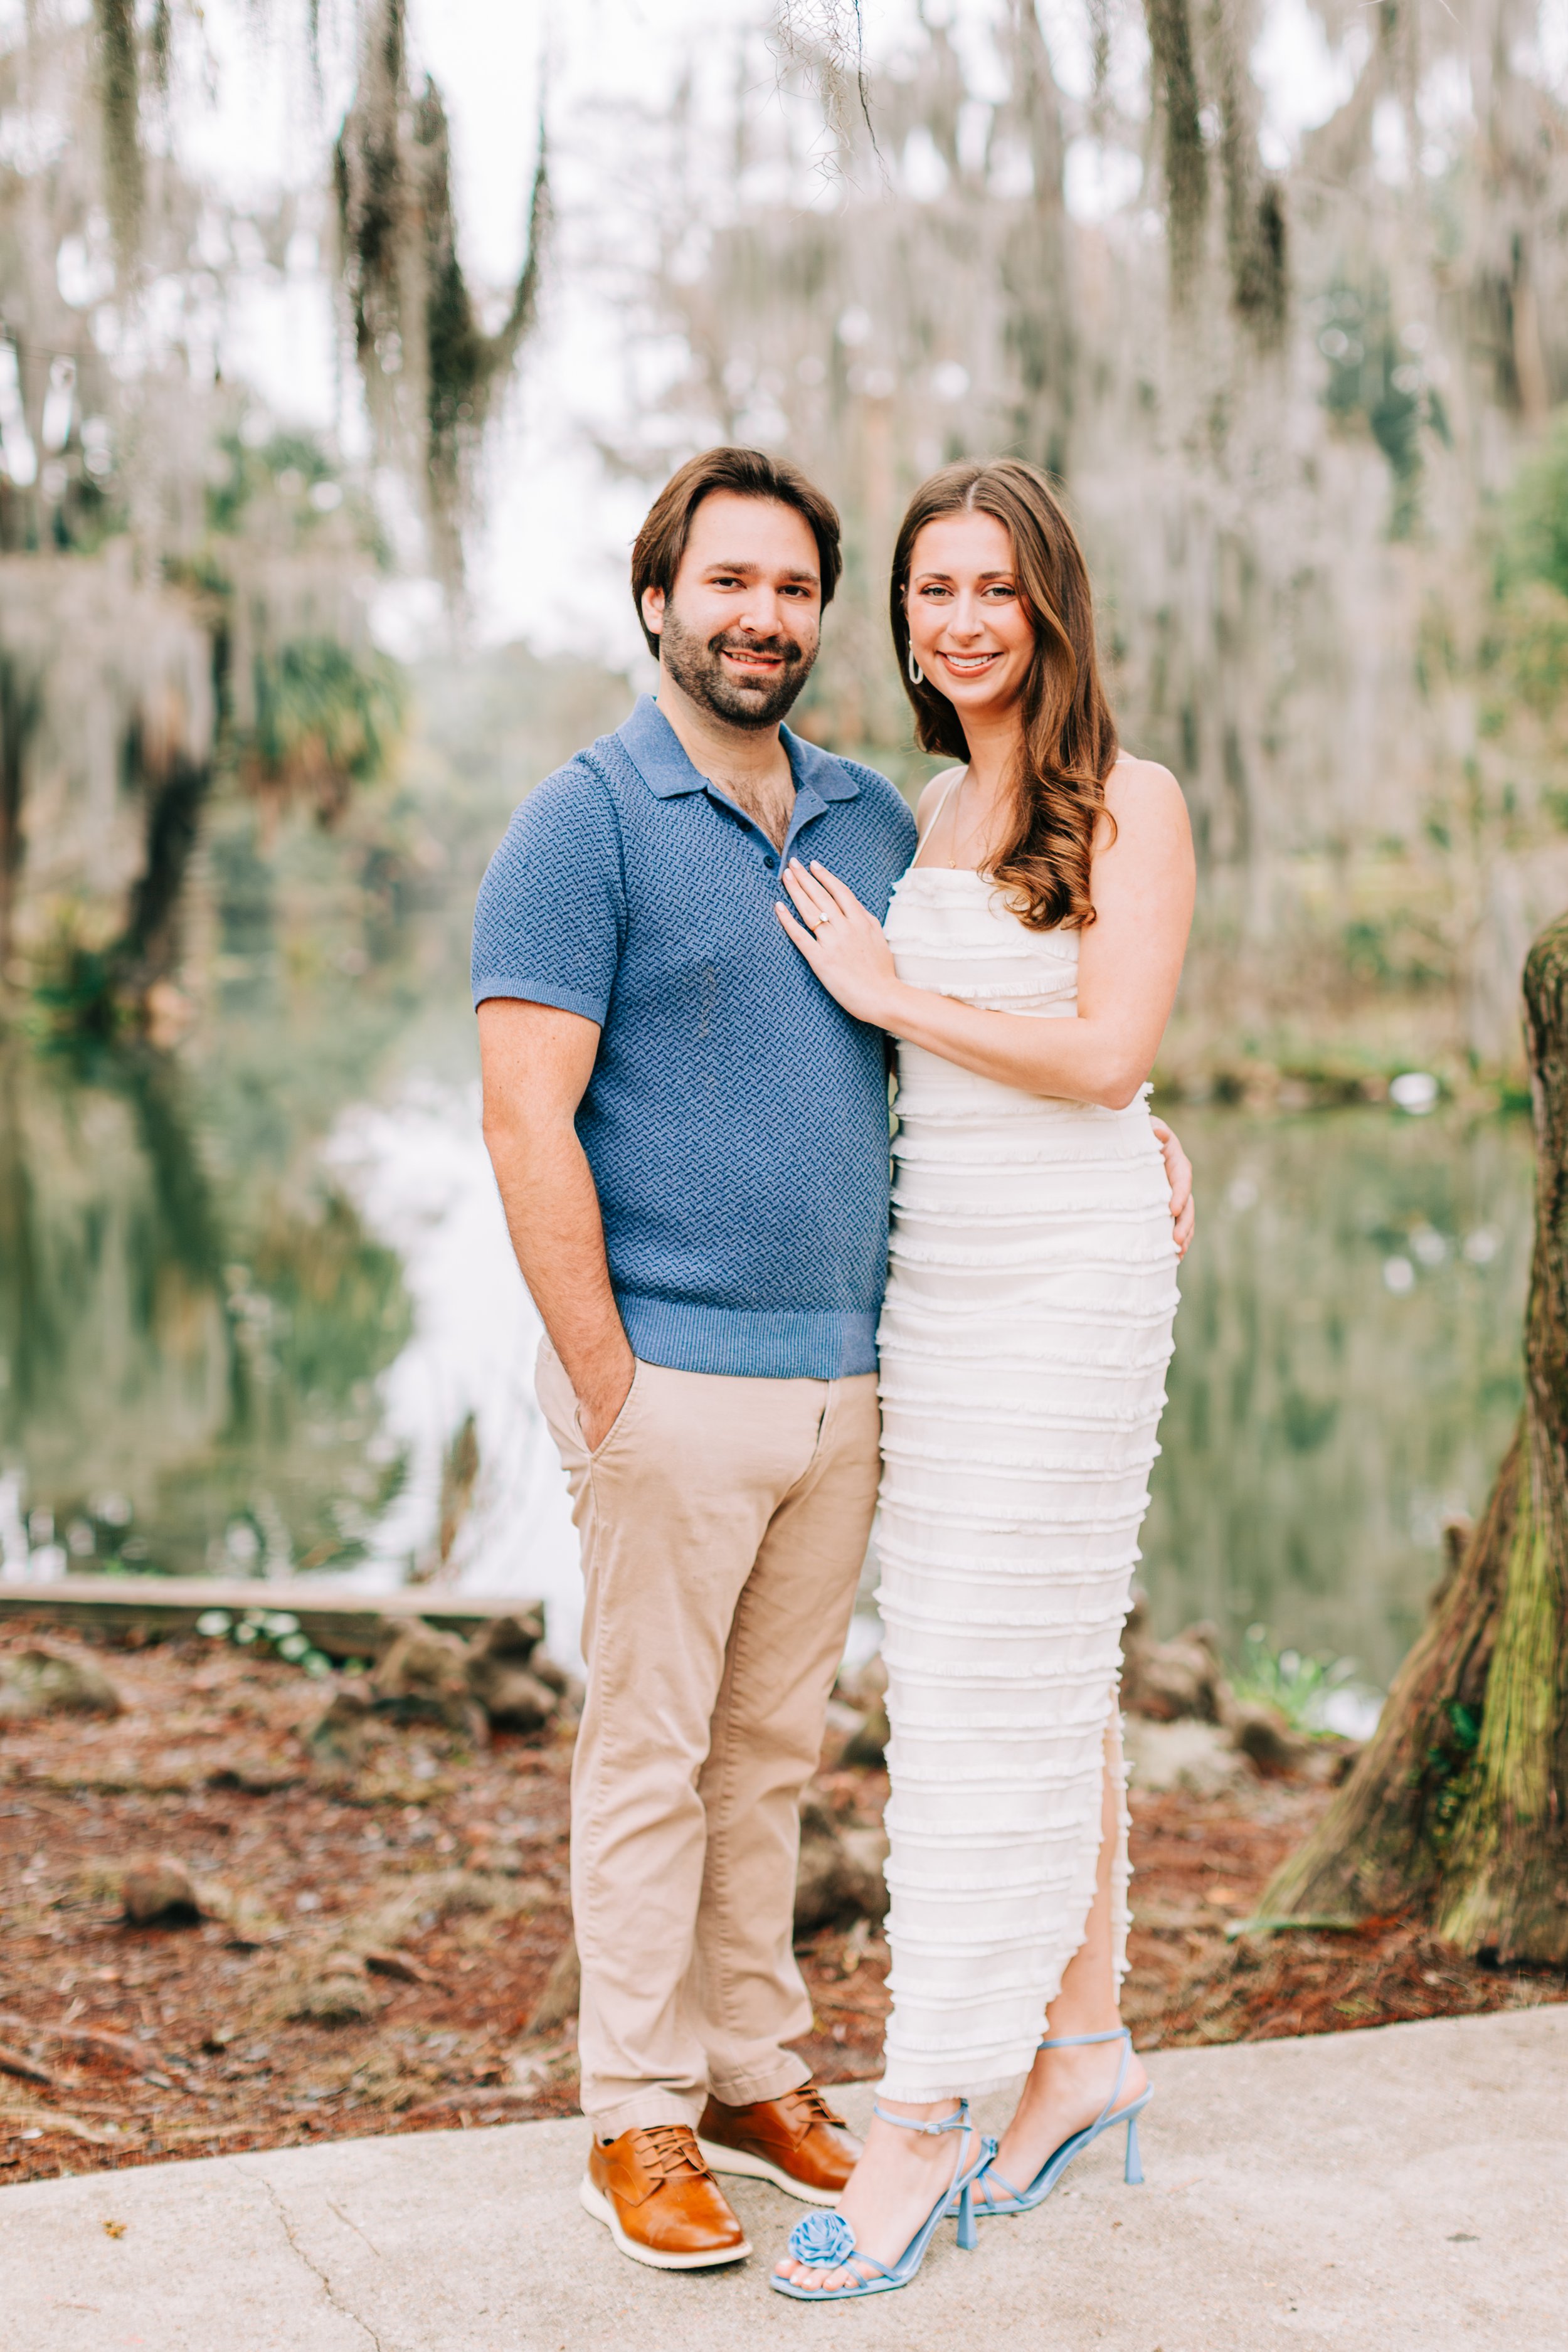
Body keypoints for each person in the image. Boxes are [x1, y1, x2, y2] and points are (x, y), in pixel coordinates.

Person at [473, 446, 1194, 2275]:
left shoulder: (880, 815)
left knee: (778, 1749)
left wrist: (1141, 1127)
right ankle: (637, 2112)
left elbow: (1025, 1012)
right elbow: (521, 1119)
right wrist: (604, 1378)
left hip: (867, 1364)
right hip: (673, 1374)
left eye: (791, 589)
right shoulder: (584, 820)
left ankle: (752, 2070)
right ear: (658, 602)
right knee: (653, 1749)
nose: (759, 617)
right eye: (726, 584)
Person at [769, 457, 1195, 2304]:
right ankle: (1081, 2055)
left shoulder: (1135, 801)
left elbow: (1105, 1056)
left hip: (1072, 1281)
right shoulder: (924, 809)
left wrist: (900, 1001)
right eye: (933, 589)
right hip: (935, 1286)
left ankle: (926, 2116)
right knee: (1029, 1662)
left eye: (994, 590)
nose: (959, 620)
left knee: (974, 1691)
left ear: (1049, 611)